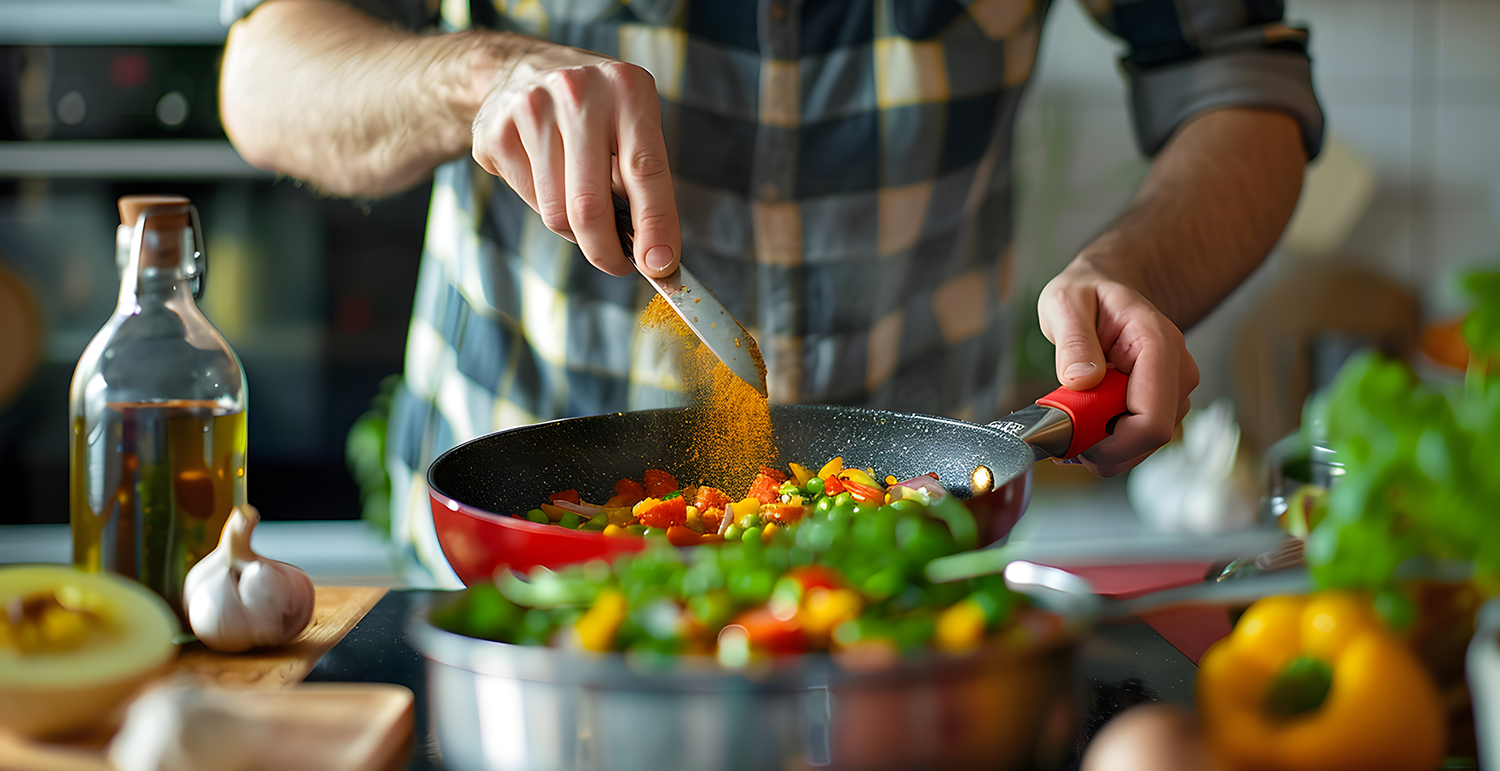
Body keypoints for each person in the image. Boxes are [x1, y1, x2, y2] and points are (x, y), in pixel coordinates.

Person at [219, 0, 1320, 585]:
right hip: (510, 571)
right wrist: (471, 81)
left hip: (912, 558)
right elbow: (266, 73)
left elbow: (1241, 83)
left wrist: (1137, 271)